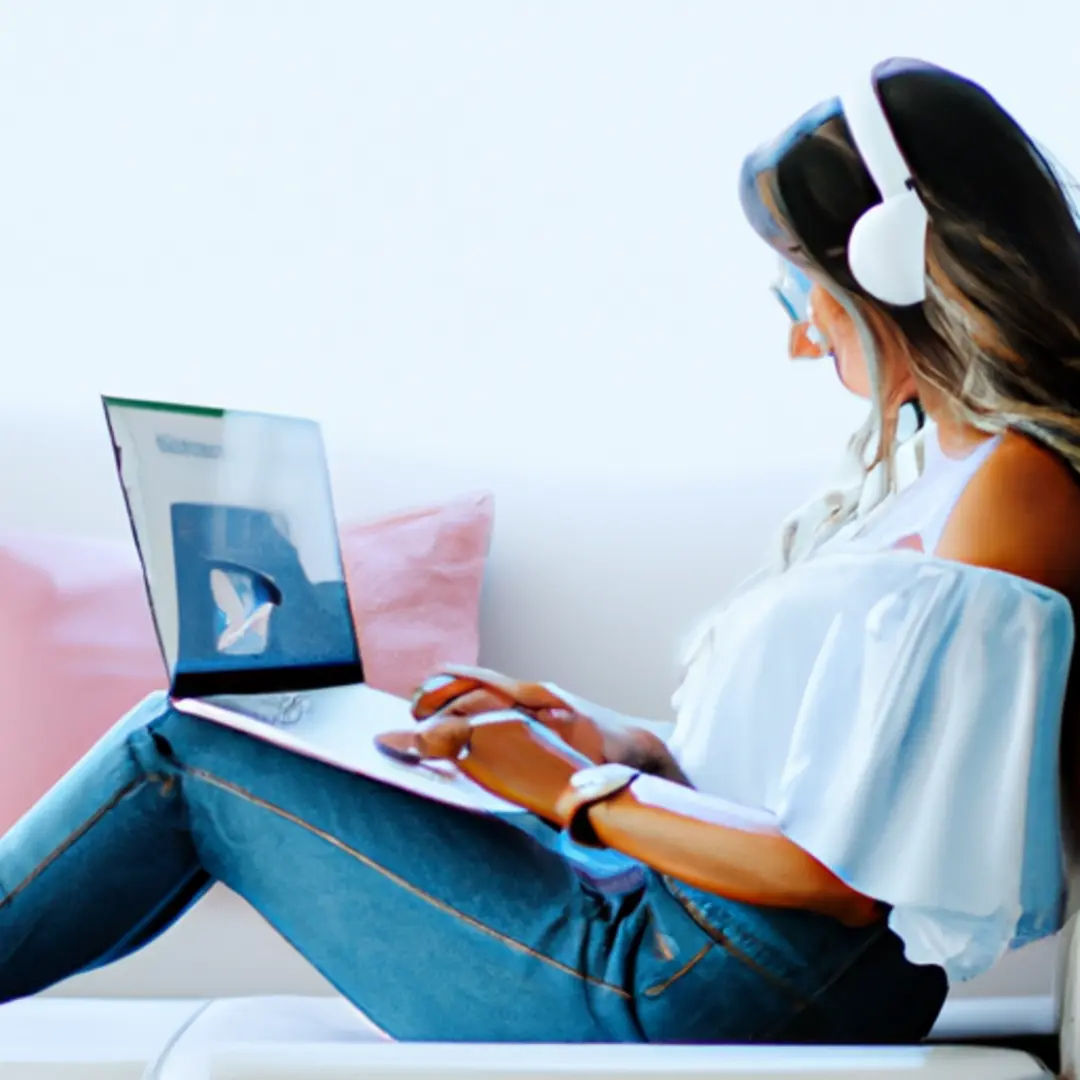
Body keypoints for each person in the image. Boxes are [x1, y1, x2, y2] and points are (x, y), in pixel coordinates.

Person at [2, 56, 1079, 1045]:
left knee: (186, 744)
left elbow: (849, 882)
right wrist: (613, 738)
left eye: (802, 285)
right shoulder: (950, 471)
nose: (800, 331)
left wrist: (581, 789)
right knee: (225, 731)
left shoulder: (1015, 490)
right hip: (704, 944)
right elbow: (830, 791)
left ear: (894, 266)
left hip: (698, 982)